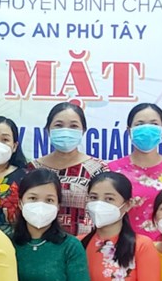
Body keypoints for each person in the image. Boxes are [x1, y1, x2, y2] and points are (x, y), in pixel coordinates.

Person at [108, 102, 162, 240]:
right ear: (129, 130)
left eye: (154, 124)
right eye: (140, 124)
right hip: (122, 246)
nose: (147, 129)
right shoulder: (113, 170)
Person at [27, 102, 106, 238]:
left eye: (73, 126)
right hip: (41, 243)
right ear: (48, 130)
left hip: (84, 243)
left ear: (83, 131)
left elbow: (105, 210)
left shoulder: (97, 169)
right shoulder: (32, 169)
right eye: (58, 125)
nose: (66, 131)